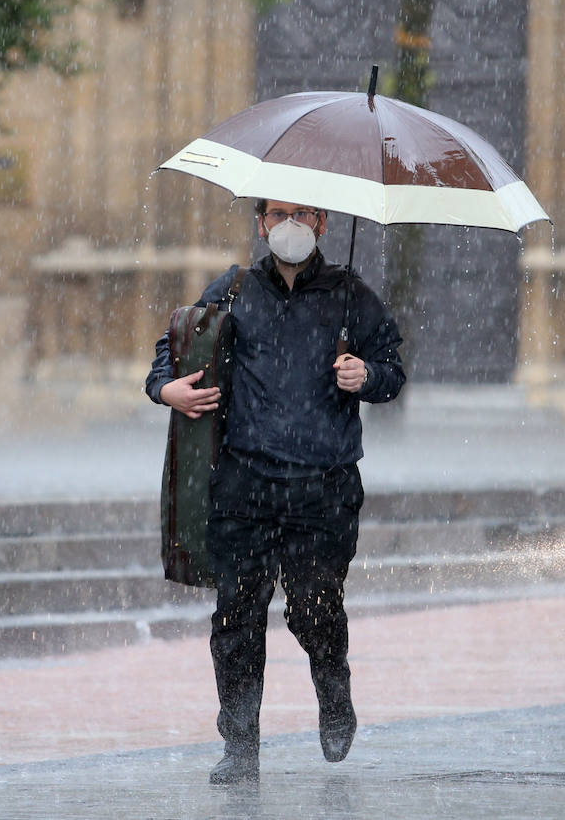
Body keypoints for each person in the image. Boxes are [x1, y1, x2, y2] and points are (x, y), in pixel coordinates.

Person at [145, 198, 405, 784]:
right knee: (236, 621)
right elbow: (173, 346)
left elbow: (392, 370)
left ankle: (333, 691)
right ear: (261, 222)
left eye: (304, 214)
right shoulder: (233, 289)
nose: (291, 225)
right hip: (244, 486)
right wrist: (169, 391)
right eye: (279, 214)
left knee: (315, 612)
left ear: (323, 225)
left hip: (323, 490)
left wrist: (366, 376)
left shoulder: (351, 295)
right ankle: (240, 749)